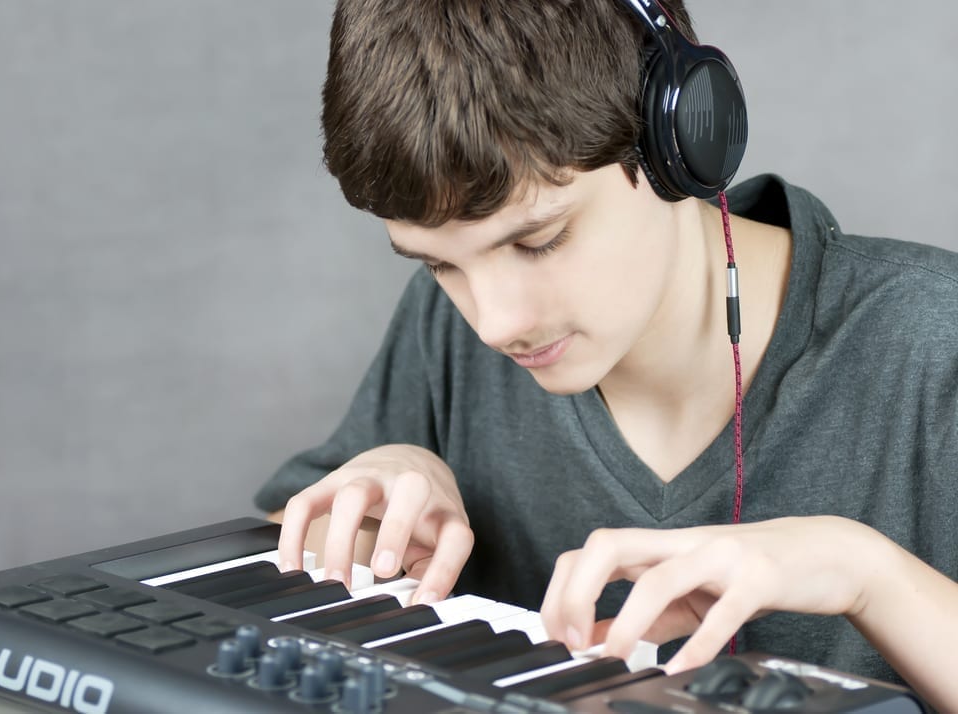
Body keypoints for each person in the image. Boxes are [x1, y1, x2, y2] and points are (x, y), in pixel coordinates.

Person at [253, 1, 958, 710]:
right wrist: (382, 482)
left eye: (537, 242)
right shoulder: (442, 330)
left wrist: (867, 574)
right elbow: (281, 550)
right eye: (440, 265)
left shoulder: (935, 339)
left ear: (677, 141)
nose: (496, 324)